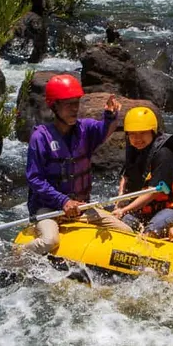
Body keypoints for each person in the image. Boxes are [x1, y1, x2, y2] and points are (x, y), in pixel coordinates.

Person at [23, 74, 133, 254]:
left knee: (127, 233)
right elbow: (34, 179)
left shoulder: (85, 129)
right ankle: (19, 254)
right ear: (54, 106)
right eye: (68, 104)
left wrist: (110, 115)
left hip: (80, 207)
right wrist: (63, 200)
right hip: (48, 208)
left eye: (76, 103)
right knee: (50, 241)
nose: (75, 109)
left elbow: (104, 130)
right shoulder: (40, 137)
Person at [111, 107, 173, 236]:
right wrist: (120, 203)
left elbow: (154, 192)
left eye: (142, 133)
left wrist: (124, 210)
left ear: (152, 132)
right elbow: (126, 177)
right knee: (119, 225)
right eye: (133, 134)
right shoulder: (135, 150)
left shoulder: (164, 154)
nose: (137, 138)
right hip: (145, 210)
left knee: (152, 231)